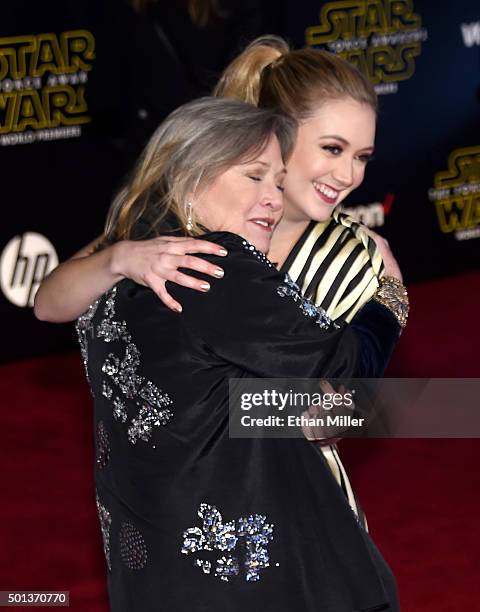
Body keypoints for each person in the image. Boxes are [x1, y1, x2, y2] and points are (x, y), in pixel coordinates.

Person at [34, 36, 405, 533]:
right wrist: (119, 259)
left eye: (362, 156)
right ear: (277, 135)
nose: (349, 175)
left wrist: (197, 398)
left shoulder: (355, 260)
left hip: (286, 520)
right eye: (332, 149)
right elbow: (47, 304)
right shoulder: (188, 211)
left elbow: (336, 417)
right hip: (165, 506)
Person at [74, 95, 405, 611]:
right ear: (189, 180)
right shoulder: (219, 268)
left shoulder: (122, 263)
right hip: (242, 577)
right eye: (254, 177)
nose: (273, 198)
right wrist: (389, 300)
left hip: (147, 564)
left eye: (277, 181)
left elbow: (211, 399)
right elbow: (346, 365)